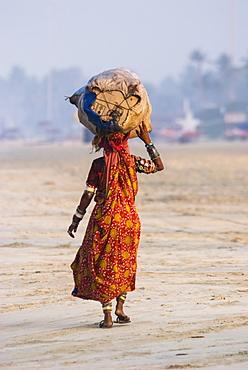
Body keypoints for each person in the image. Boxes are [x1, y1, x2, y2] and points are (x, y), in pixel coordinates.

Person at [67, 122, 164, 328]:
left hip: (104, 220)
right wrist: (147, 141)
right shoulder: (132, 162)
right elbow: (158, 166)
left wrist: (76, 219)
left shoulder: (99, 166)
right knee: (124, 263)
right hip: (129, 220)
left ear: (103, 144)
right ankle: (120, 307)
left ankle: (108, 315)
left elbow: (87, 195)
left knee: (101, 265)